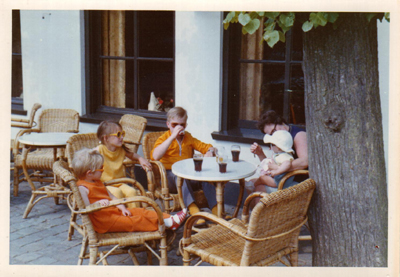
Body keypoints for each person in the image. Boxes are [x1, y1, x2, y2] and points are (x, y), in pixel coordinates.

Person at [70, 148, 187, 233]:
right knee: (135, 221)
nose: (103, 170)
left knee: (140, 211)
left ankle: (169, 218)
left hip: (114, 213)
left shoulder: (97, 182)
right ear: (89, 173)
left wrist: (122, 207)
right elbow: (85, 209)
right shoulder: (82, 188)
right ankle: (167, 223)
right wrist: (97, 204)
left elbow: (112, 197)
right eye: (101, 168)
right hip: (105, 222)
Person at [151, 107, 218, 220]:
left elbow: (208, 147)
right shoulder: (164, 138)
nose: (178, 128)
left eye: (181, 125)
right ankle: (193, 211)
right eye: (174, 125)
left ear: (185, 125)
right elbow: (155, 156)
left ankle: (216, 210)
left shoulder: (188, 137)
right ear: (168, 124)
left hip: (187, 175)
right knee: (180, 177)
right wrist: (172, 137)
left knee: (206, 177)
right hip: (169, 178)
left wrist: (210, 152)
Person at [95, 120, 152, 208]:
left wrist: (140, 158)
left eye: (123, 134)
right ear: (106, 138)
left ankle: (136, 215)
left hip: (120, 182)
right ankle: (120, 217)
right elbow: (88, 159)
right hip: (105, 184)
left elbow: (133, 155)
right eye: (118, 135)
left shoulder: (121, 149)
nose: (122, 137)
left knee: (131, 192)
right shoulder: (99, 150)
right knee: (117, 193)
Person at [250, 110, 308, 193]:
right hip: (281, 177)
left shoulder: (298, 135)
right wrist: (260, 153)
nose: (274, 135)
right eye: (271, 134)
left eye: (273, 131)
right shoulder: (278, 138)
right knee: (251, 183)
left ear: (280, 122)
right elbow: (274, 162)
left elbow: (305, 161)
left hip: (293, 182)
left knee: (258, 189)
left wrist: (277, 168)